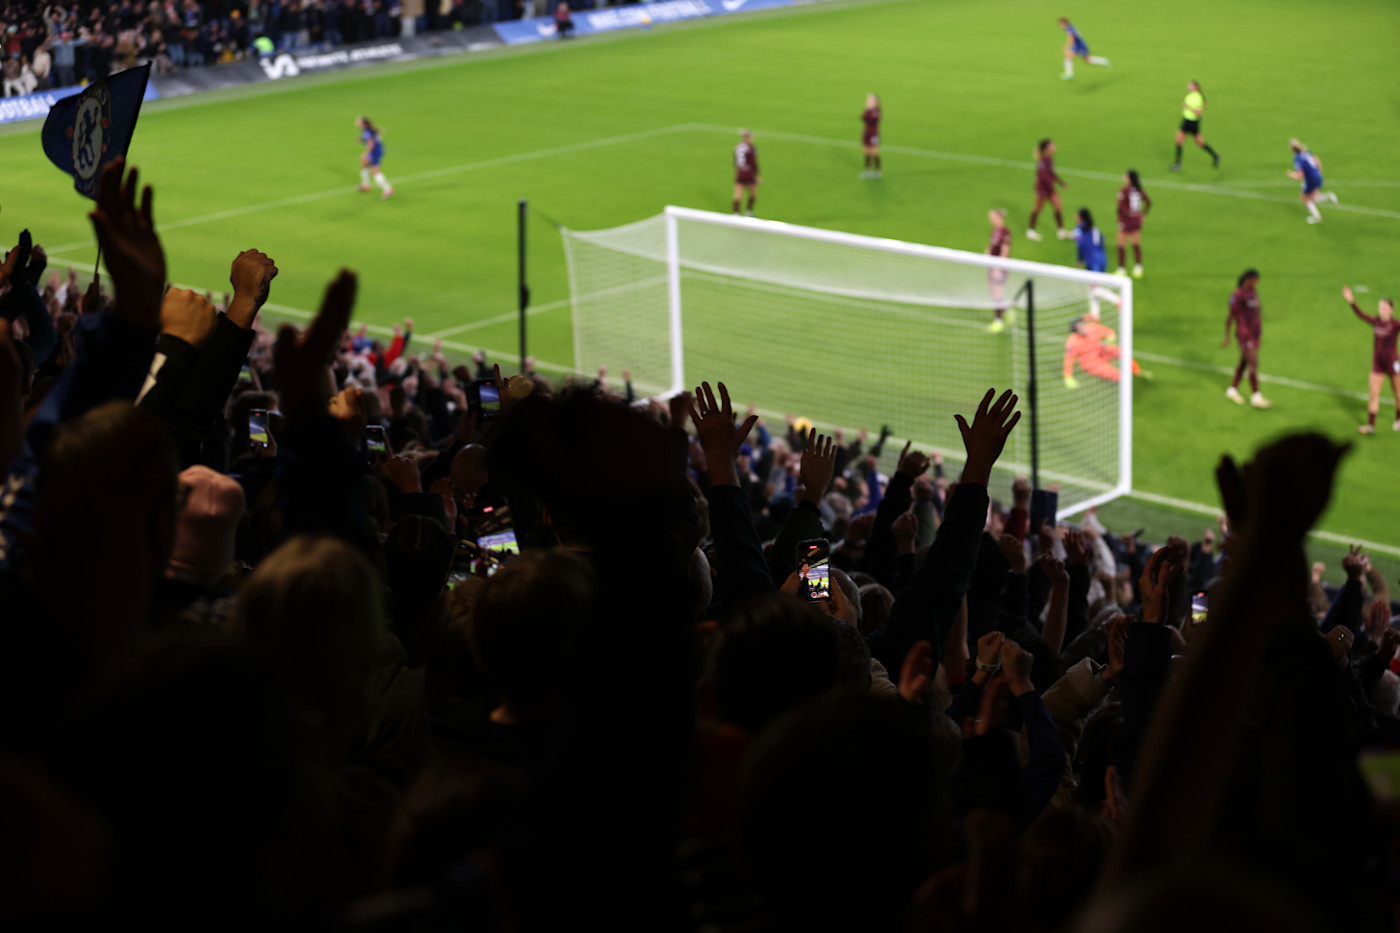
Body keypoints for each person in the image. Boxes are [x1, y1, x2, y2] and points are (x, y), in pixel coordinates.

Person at [1341, 285, 1399, 434]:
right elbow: (1361, 315)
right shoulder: (1376, 321)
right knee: (1374, 394)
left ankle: (1398, 418)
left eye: (1384, 308)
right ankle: (1371, 425)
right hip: (1378, 363)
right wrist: (1351, 301)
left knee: (1398, 393)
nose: (1381, 310)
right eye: (1380, 307)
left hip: (1393, 362)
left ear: (1391, 310)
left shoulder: (1395, 324)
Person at [1223, 268, 1271, 408]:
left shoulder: (1253, 292)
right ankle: (1256, 396)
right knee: (1253, 363)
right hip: (1245, 334)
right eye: (1255, 280)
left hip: (1254, 334)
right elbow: (1231, 316)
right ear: (1247, 279)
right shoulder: (1237, 295)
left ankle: (1232, 390)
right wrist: (1227, 335)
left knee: (1244, 363)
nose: (1257, 283)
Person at [1064, 313, 1144, 388]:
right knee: (1118, 375)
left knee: (1120, 351)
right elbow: (1069, 360)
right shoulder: (1072, 343)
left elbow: (1108, 331)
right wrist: (1068, 377)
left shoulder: (1092, 328)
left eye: (1082, 325)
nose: (1083, 328)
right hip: (1090, 362)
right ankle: (1123, 381)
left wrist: (1110, 337)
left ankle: (1136, 371)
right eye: (1080, 328)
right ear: (1076, 332)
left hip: (1101, 352)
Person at [1073, 208, 1123, 321]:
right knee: (1091, 286)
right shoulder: (1095, 229)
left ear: (1080, 217)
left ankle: (1117, 300)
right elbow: (1102, 240)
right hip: (1102, 260)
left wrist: (1079, 259)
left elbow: (1080, 245)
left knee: (1094, 288)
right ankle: (1095, 314)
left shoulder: (1078, 229)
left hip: (1092, 262)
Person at [1170, 80, 1220, 171]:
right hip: (1187, 120)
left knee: (1197, 143)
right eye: (1188, 85)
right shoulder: (1191, 95)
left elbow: (1198, 112)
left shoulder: (1197, 98)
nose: (1188, 87)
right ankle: (1215, 155)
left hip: (1192, 122)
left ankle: (1178, 164)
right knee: (1185, 141)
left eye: (1190, 85)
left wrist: (1187, 107)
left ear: (1195, 87)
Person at [1027, 139, 1068, 242]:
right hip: (1043, 189)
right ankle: (1030, 231)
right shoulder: (1043, 160)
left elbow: (1051, 173)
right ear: (1047, 148)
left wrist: (1061, 183)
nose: (1054, 146)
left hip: (1049, 188)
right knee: (1037, 209)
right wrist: (1051, 190)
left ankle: (1061, 231)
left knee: (1058, 207)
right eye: (1052, 145)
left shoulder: (1050, 158)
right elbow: (1043, 176)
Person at [1288, 139, 1338, 225]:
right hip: (1318, 176)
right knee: (1313, 198)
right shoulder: (1306, 152)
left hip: (1311, 179)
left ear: (1292, 149)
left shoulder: (1298, 158)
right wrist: (1319, 172)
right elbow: (1317, 160)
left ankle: (1317, 217)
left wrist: (1291, 175)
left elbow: (1300, 176)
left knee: (1305, 199)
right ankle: (1329, 196)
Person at [1115, 169, 1151, 278]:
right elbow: (1149, 202)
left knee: (1121, 244)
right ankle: (1138, 268)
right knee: (1136, 243)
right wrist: (1143, 215)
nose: (1124, 177)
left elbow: (1121, 207)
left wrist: (1119, 217)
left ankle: (1121, 269)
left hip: (1126, 221)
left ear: (1129, 178)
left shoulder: (1124, 190)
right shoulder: (1139, 190)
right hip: (1136, 221)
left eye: (1125, 176)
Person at [986, 208, 1013, 333]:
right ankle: (1008, 311)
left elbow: (1005, 252)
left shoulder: (1005, 232)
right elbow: (991, 247)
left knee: (997, 293)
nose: (991, 221)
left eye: (992, 218)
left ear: (999, 217)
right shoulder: (995, 231)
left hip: (999, 268)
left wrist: (998, 268)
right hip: (992, 266)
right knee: (992, 292)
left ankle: (998, 321)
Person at [355, 115, 394, 199]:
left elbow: (371, 144)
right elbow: (372, 139)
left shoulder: (367, 132)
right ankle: (366, 185)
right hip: (377, 150)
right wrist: (362, 139)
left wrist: (366, 153)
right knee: (364, 164)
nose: (356, 123)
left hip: (375, 152)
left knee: (375, 173)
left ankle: (388, 189)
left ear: (363, 124)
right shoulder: (368, 130)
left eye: (358, 122)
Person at [733, 129, 758, 217]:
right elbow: (753, 162)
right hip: (749, 174)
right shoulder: (751, 148)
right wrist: (756, 174)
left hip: (740, 173)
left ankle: (736, 213)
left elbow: (736, 162)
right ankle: (748, 211)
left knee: (738, 193)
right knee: (753, 193)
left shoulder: (738, 147)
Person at [860, 93, 881, 179]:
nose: (869, 102)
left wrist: (869, 110)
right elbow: (862, 118)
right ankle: (867, 170)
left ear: (876, 102)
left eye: (871, 100)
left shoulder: (877, 111)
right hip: (866, 132)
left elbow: (873, 120)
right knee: (866, 152)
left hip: (874, 134)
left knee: (875, 152)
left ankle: (877, 171)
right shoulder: (868, 110)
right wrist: (867, 109)